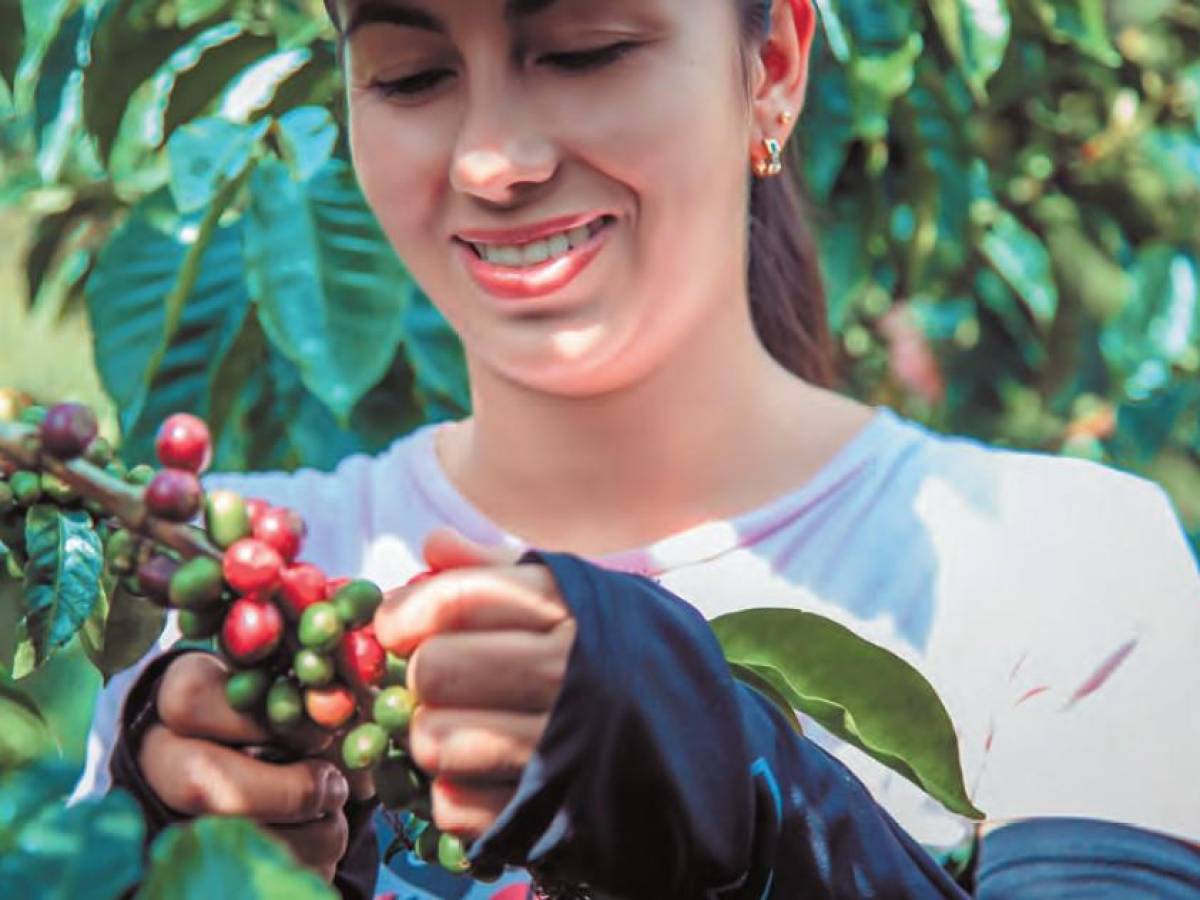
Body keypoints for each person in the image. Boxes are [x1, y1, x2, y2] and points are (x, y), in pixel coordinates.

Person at [74, 0, 1200, 896]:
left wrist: (750, 802)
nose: (491, 161)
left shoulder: (1069, 568)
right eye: (411, 74)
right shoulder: (227, 595)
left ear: (771, 70)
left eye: (584, 51)